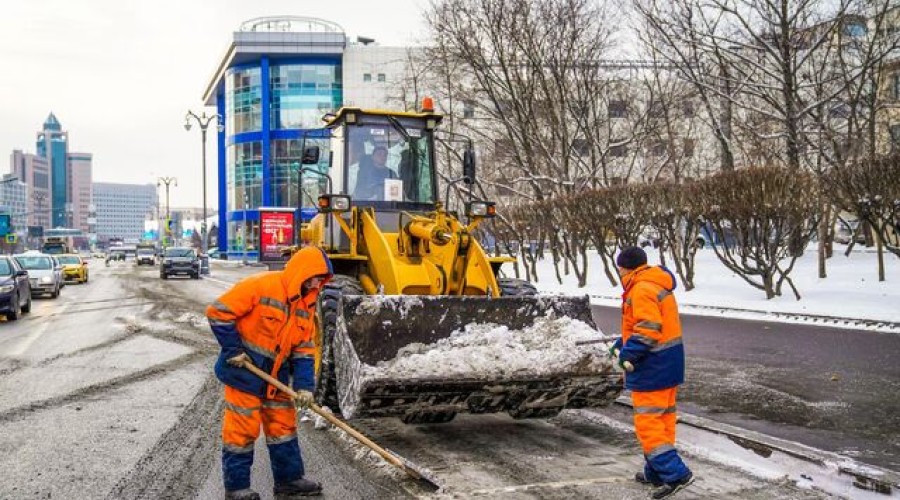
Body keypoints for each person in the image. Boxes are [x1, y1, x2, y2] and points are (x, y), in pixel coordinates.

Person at [206, 246, 333, 500]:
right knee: (242, 430)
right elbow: (218, 312)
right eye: (317, 276)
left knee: (283, 427)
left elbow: (304, 350)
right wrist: (233, 350)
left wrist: (305, 387)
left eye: (322, 279)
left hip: (276, 378)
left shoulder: (306, 305)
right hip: (245, 373)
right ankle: (237, 488)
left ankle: (289, 481)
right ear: (303, 271)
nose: (319, 283)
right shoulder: (261, 285)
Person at [610, 246, 693, 499]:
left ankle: (676, 474)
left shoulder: (641, 289)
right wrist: (622, 343)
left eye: (620, 268)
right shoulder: (654, 282)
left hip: (652, 366)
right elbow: (646, 326)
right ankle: (656, 471)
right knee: (663, 420)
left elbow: (648, 330)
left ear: (625, 268)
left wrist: (627, 355)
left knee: (648, 424)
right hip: (668, 363)